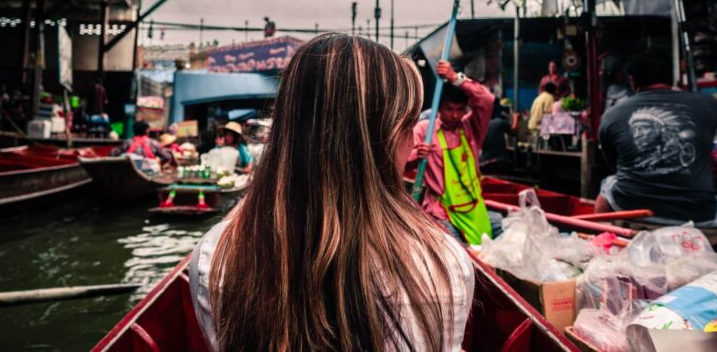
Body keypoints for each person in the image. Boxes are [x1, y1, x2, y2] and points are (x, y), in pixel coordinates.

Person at [189, 34, 473, 351]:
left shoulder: (215, 255)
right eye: (409, 127)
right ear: (391, 137)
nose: (412, 145)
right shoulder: (445, 261)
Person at [596, 55, 717, 226]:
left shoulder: (612, 114)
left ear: (632, 81)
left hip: (633, 207)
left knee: (608, 183)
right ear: (673, 77)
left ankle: (600, 239)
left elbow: (614, 163)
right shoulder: (709, 104)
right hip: (701, 215)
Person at [406, 60, 496, 245]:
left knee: (485, 249)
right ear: (439, 108)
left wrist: (455, 78)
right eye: (449, 109)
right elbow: (399, 161)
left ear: (465, 109)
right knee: (458, 253)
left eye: (459, 110)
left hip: (474, 207)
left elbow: (486, 100)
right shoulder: (425, 129)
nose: (455, 115)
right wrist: (416, 155)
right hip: (441, 210)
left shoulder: (471, 127)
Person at [110, 121, 175, 167]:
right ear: (146, 131)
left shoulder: (128, 142)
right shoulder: (153, 143)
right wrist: (159, 163)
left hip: (130, 171)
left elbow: (113, 153)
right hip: (149, 170)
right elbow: (167, 157)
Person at [480, 99, 517, 174]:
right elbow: (513, 131)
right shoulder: (498, 122)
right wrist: (516, 117)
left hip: (484, 162)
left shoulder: (480, 124)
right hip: (499, 161)